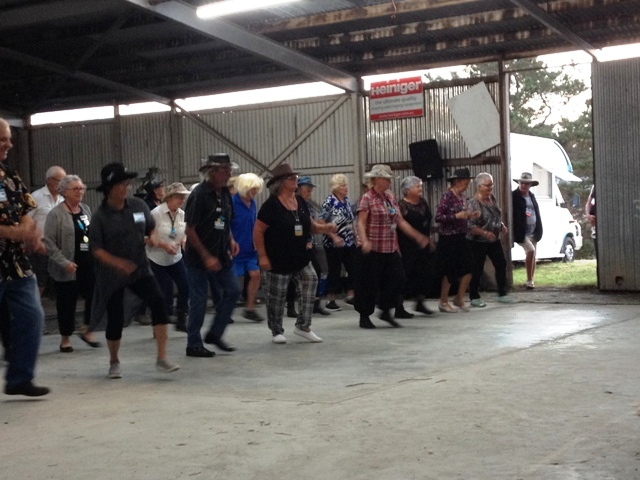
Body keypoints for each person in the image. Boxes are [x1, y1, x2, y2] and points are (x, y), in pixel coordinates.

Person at [89, 162, 180, 378]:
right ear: (109, 188)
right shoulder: (100, 216)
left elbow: (150, 226)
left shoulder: (138, 206)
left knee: (158, 303)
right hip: (112, 276)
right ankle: (114, 361)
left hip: (140, 269)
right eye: (121, 184)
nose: (126, 187)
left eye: (127, 183)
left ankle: (162, 357)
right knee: (116, 318)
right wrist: (118, 263)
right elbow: (96, 250)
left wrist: (153, 237)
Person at [253, 163, 337, 344]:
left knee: (311, 281)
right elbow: (258, 231)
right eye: (292, 178)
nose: (296, 180)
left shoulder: (300, 201)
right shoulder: (271, 205)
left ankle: (303, 326)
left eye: (296, 177)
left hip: (300, 258)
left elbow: (311, 226)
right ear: (281, 182)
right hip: (277, 259)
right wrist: (262, 256)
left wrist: (326, 228)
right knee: (276, 297)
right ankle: (276, 330)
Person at [0, 118, 50, 396]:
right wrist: (13, 232)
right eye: (2, 139)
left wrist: (28, 231)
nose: (9, 144)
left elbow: (26, 211)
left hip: (15, 264)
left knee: (32, 317)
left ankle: (20, 378)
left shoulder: (9, 174)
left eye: (9, 138)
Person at [354, 164, 429, 329]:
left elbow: (400, 221)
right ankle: (364, 316)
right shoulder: (367, 198)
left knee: (398, 278)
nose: (389, 182)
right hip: (372, 248)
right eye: (386, 179)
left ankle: (386, 310)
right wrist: (364, 240)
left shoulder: (390, 198)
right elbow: (361, 222)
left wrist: (417, 236)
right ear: (377, 180)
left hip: (389, 247)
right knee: (369, 283)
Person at [183, 154, 241, 357]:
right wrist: (206, 256)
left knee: (233, 291)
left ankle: (215, 333)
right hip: (197, 258)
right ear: (212, 172)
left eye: (229, 170)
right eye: (225, 170)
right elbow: (190, 230)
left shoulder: (224, 193)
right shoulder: (199, 195)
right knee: (199, 300)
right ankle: (193, 344)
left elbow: (225, 221)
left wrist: (231, 240)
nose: (229, 174)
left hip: (220, 254)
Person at [43, 174, 100, 352]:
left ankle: (87, 329)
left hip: (87, 262)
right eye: (75, 189)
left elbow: (91, 233)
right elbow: (49, 243)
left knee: (93, 296)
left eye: (82, 188)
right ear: (64, 191)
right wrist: (64, 262)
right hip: (66, 266)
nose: (80, 192)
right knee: (66, 302)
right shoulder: (56, 214)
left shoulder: (85, 209)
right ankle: (65, 338)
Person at [146, 182, 191, 332]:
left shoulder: (182, 214)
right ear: (170, 197)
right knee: (160, 294)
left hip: (175, 258)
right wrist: (164, 245)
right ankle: (158, 325)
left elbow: (183, 232)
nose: (182, 200)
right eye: (179, 197)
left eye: (184, 197)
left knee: (185, 286)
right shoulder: (156, 213)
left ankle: (181, 319)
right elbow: (146, 238)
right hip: (156, 259)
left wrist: (183, 241)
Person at [466, 173, 516, 306]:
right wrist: (484, 233)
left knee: (501, 263)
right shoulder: (473, 203)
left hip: (493, 239)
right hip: (477, 241)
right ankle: (474, 297)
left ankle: (502, 293)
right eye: (487, 185)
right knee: (477, 268)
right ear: (479, 186)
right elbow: (469, 226)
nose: (490, 188)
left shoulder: (491, 198)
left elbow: (495, 215)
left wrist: (501, 225)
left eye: (491, 185)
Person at [435, 168, 479, 313]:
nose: (466, 187)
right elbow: (438, 217)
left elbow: (462, 214)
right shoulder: (447, 196)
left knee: (470, 266)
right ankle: (443, 301)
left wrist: (470, 215)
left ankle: (459, 298)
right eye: (465, 184)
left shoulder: (462, 197)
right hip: (448, 238)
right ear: (457, 182)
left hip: (460, 236)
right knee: (450, 270)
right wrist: (456, 216)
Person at [396, 175, 435, 316]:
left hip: (423, 244)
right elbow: (401, 226)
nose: (420, 189)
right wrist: (418, 237)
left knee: (424, 273)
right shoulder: (401, 206)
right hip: (407, 245)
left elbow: (427, 222)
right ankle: (399, 307)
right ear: (407, 190)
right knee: (405, 275)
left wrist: (429, 238)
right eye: (417, 186)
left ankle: (420, 302)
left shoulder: (423, 202)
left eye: (420, 186)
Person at [230, 173, 265, 322]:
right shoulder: (231, 203)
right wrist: (230, 241)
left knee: (255, 275)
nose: (254, 192)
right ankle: (225, 309)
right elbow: (224, 225)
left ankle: (249, 308)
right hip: (235, 249)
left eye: (256, 189)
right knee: (232, 283)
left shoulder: (253, 204)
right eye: (252, 189)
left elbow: (254, 223)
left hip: (250, 248)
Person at [28, 165, 66, 295]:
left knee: (60, 279)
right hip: (41, 246)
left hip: (58, 247)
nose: (63, 184)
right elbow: (26, 220)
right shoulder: (36, 197)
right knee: (40, 279)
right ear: (49, 180)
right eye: (60, 180)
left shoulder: (63, 199)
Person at [321, 173, 356, 311]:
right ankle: (330, 299)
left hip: (348, 240)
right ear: (335, 187)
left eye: (346, 185)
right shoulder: (329, 202)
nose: (346, 188)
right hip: (333, 243)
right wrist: (334, 237)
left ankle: (350, 295)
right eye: (342, 186)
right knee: (334, 270)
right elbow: (321, 222)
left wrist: (356, 236)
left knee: (353, 267)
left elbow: (351, 220)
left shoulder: (346, 201)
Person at [296, 175, 331, 316]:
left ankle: (315, 303)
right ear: (299, 189)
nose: (309, 193)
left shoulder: (308, 205)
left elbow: (311, 225)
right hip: (296, 245)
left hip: (309, 244)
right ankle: (292, 305)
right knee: (293, 277)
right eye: (307, 190)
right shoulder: (293, 204)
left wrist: (324, 229)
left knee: (316, 271)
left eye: (310, 190)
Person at [512, 172, 542, 289]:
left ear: (530, 185)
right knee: (531, 250)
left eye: (526, 184)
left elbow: (536, 212)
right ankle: (529, 280)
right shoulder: (514, 196)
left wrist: (539, 228)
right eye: (522, 183)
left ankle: (531, 280)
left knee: (533, 254)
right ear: (519, 183)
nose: (523, 185)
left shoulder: (532, 196)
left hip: (533, 230)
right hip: (521, 231)